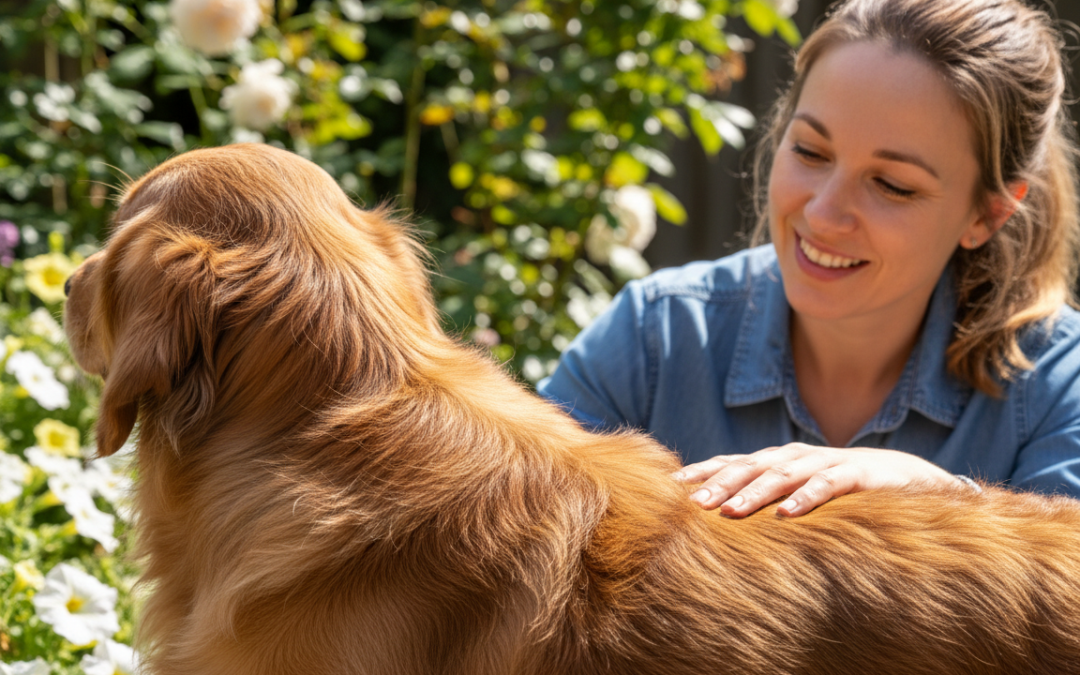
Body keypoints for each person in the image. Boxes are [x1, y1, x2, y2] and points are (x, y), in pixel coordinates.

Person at [538, 0, 1080, 517]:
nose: (823, 215)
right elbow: (515, 520)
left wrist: (944, 501)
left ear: (987, 215)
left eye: (892, 185)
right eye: (810, 152)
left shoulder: (1059, 380)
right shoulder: (655, 336)